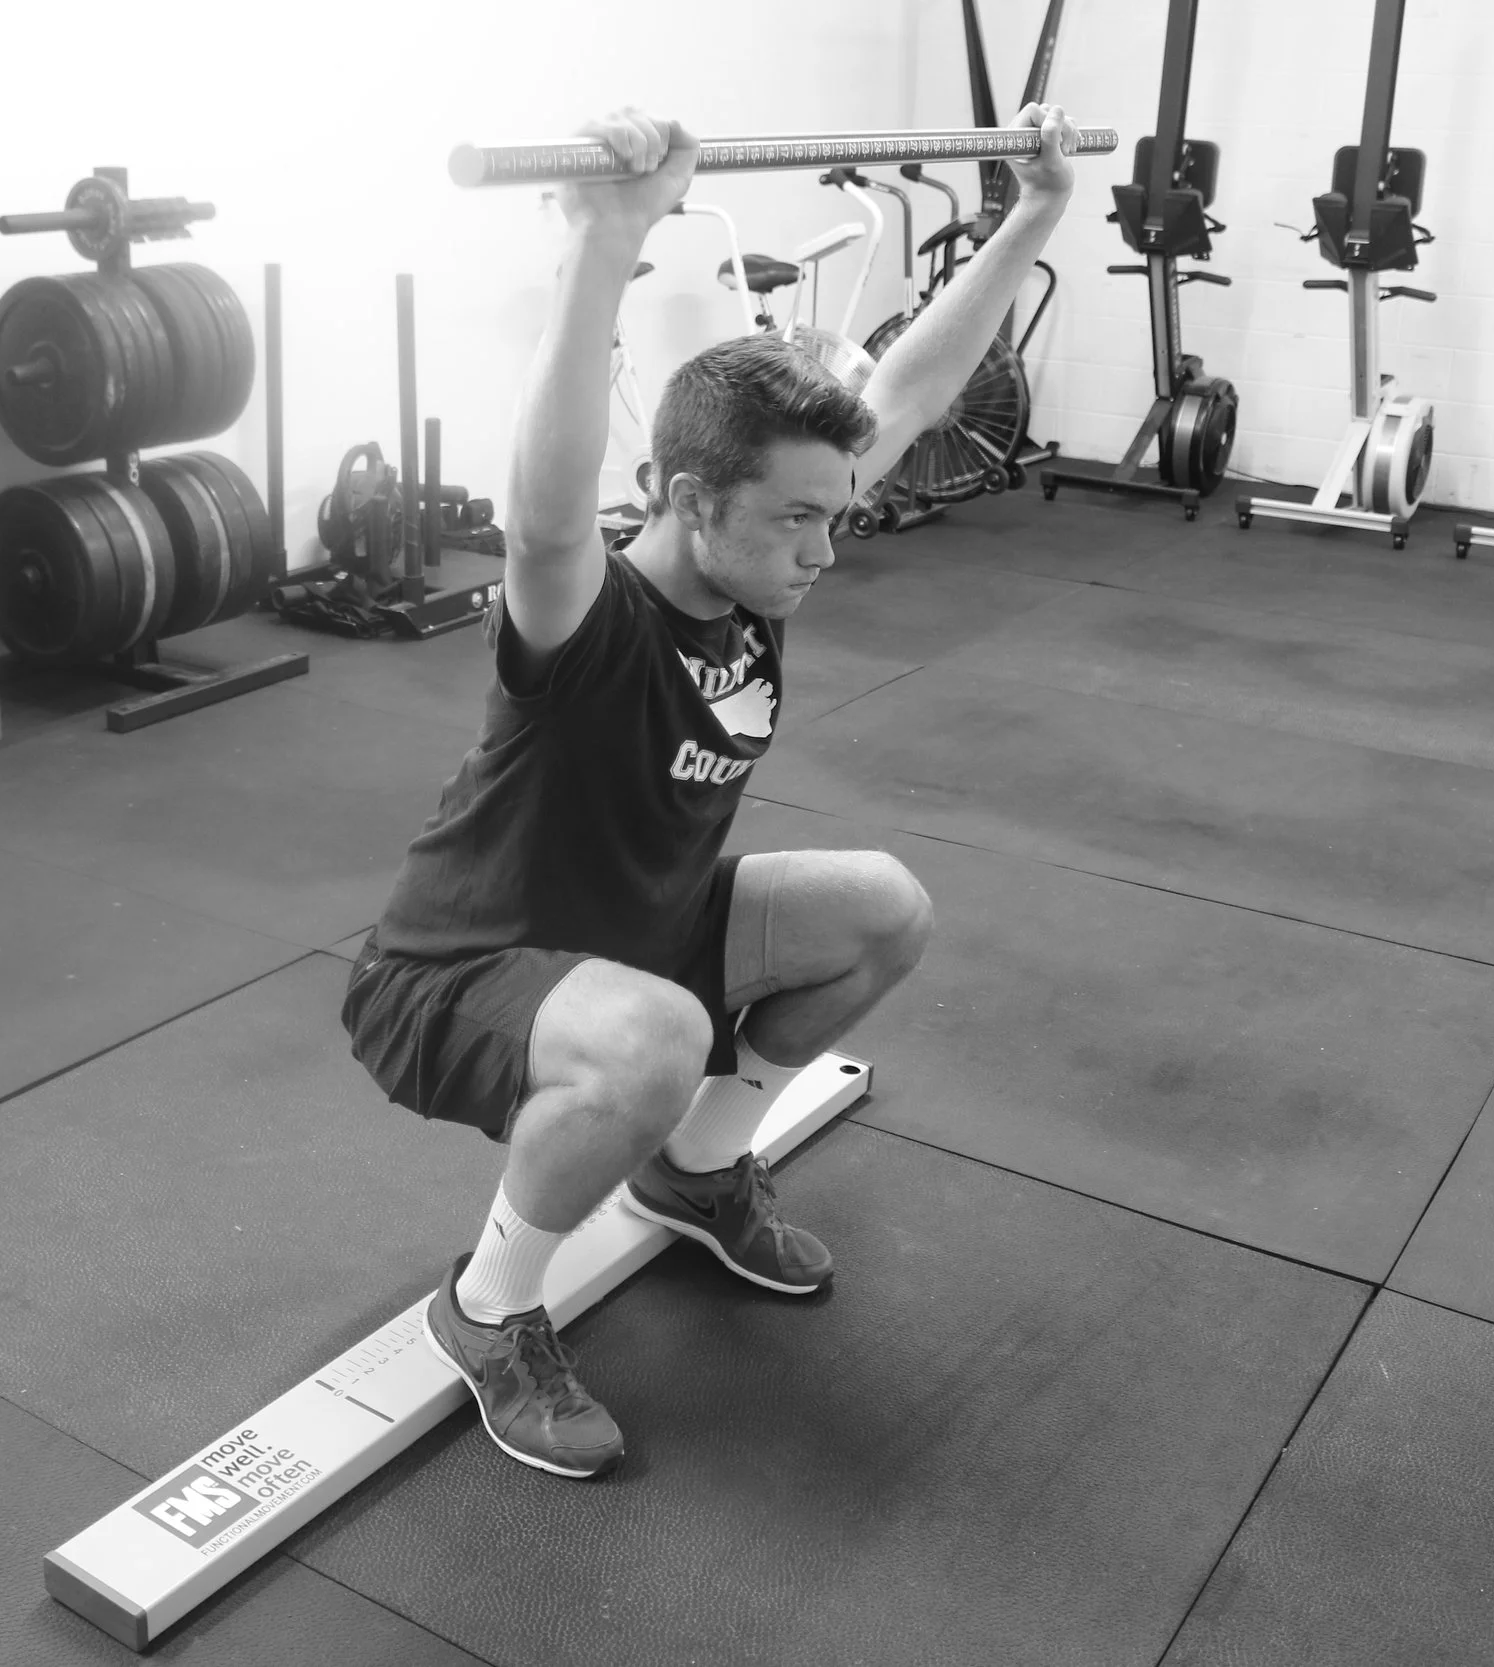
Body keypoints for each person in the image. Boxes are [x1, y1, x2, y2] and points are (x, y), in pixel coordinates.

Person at [343, 106, 1080, 1476]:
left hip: (642, 933)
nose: (828, 551)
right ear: (686, 498)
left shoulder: (758, 575)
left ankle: (692, 1170)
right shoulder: (590, 620)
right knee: (657, 1039)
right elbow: (546, 518)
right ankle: (489, 1306)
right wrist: (607, 243)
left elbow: (904, 394)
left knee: (883, 910)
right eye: (799, 518)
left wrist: (1032, 211)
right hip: (462, 967)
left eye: (833, 513)